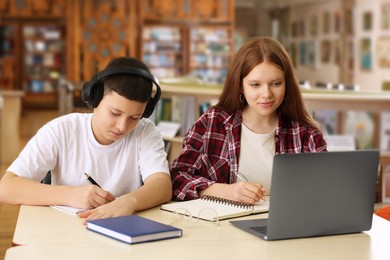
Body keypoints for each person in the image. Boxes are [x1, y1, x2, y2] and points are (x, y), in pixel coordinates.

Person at [0, 57, 172, 221]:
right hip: (66, 230)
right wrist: (71, 195)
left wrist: (130, 201)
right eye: (115, 113)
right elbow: (6, 188)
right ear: (94, 98)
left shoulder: (146, 131)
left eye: (134, 117)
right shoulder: (60, 130)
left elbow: (162, 186)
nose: (122, 126)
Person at [170, 37, 327, 204]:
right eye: (255, 85)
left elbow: (326, 190)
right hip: (220, 228)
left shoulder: (306, 134)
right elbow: (175, 179)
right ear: (240, 86)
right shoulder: (212, 123)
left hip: (288, 227)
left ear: (287, 84)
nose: (266, 94)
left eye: (276, 83)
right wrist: (224, 191)